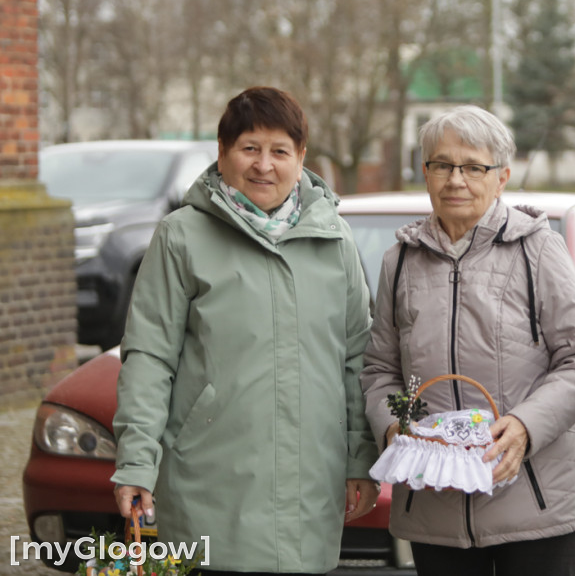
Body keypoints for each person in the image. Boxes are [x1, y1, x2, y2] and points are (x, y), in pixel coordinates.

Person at [111, 87, 379, 575]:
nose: (264, 165)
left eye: (279, 151)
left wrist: (360, 458)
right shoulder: (181, 236)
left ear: (300, 158)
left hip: (310, 488)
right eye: (249, 148)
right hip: (209, 483)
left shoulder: (334, 238)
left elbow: (358, 358)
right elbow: (149, 358)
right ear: (222, 151)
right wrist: (135, 462)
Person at [360, 105, 575, 576]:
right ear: (426, 172)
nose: (456, 179)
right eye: (443, 165)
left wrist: (524, 427)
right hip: (434, 504)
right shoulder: (400, 261)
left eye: (474, 167)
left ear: (501, 178)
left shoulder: (537, 248)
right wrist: (394, 431)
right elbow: (380, 370)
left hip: (534, 500)